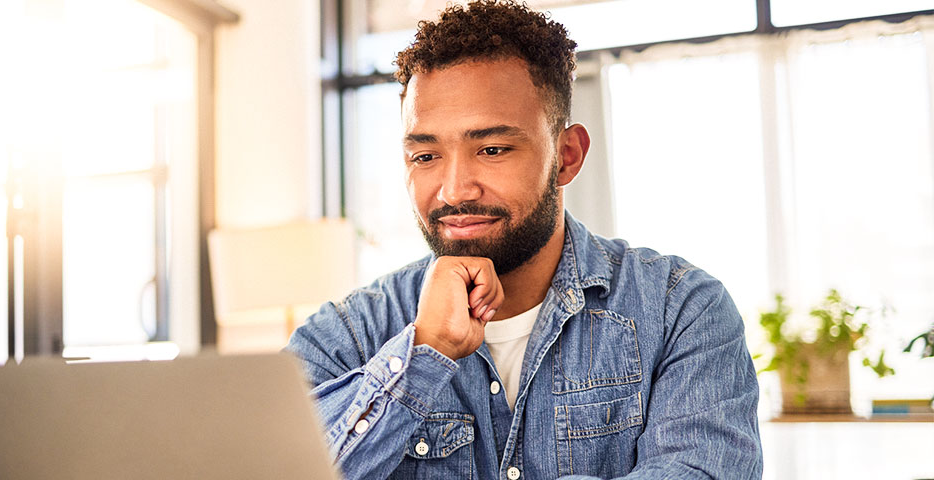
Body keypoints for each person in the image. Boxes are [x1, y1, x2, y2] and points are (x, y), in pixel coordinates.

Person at [285, 1, 763, 478]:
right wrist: (422, 354)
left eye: (491, 149)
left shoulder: (680, 310)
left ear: (567, 156)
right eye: (425, 156)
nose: (453, 190)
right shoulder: (348, 335)